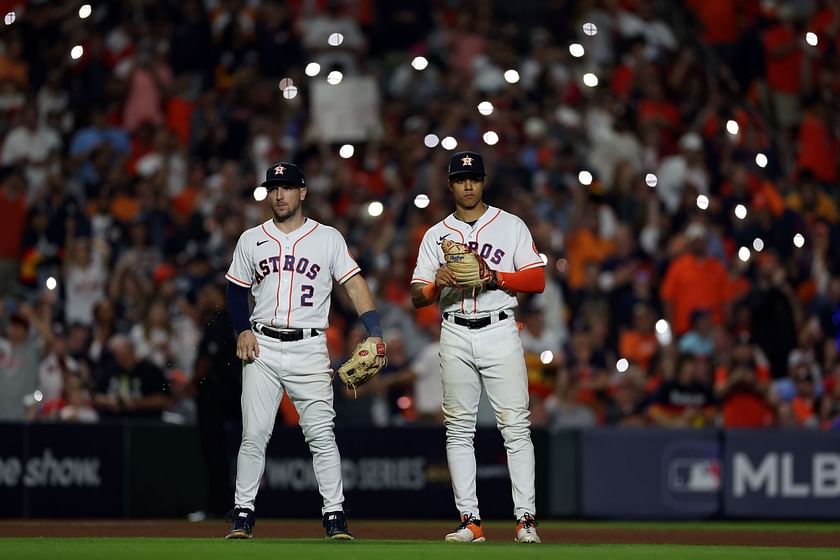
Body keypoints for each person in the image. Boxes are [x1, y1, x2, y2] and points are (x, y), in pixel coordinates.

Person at [224, 161, 385, 540]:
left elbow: (354, 283)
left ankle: (334, 516)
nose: (278, 193)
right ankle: (242, 514)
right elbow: (235, 289)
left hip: (310, 346)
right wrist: (242, 329)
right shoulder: (251, 238)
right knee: (254, 434)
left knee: (321, 435)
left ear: (303, 192)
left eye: (286, 187)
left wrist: (375, 330)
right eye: (272, 187)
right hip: (262, 345)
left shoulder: (327, 238)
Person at [410, 151, 545, 544]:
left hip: (500, 329)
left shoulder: (510, 225)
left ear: (483, 182)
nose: (468, 185)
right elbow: (418, 296)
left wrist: (495, 277)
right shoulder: (436, 234)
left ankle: (526, 521)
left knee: (516, 426)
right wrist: (437, 283)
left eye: (474, 178)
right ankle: (470, 521)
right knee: (458, 430)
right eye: (460, 179)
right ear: (450, 185)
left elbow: (537, 279)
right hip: (454, 331)